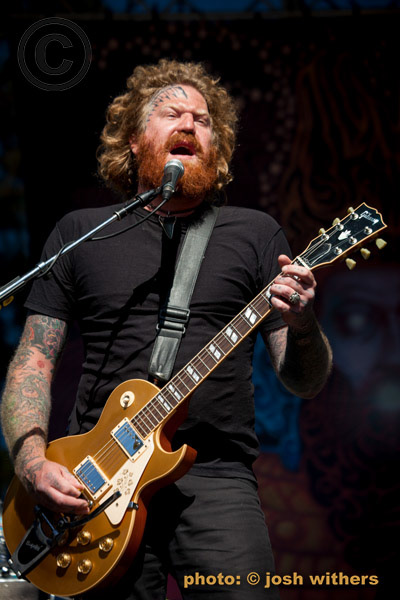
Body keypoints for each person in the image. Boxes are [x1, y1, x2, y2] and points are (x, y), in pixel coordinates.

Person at [0, 59, 332, 599]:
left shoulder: (255, 234)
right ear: (133, 140)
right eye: (172, 113)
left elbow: (304, 380)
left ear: (216, 147)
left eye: (203, 120)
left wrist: (303, 323)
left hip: (216, 476)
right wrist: (32, 461)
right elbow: (33, 361)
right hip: (95, 481)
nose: (190, 124)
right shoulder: (82, 232)